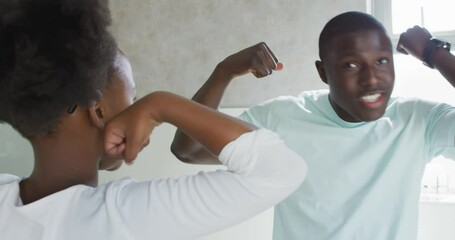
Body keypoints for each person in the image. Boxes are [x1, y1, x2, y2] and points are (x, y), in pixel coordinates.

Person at [0, 1, 307, 239]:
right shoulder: (122, 217)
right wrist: (161, 104)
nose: (140, 108)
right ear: (98, 110)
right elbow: (280, 171)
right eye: (135, 98)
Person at [171, 11, 455, 239]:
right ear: (323, 72)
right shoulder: (281, 119)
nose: (371, 78)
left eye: (382, 61)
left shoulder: (418, 120)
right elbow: (189, 149)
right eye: (351, 65)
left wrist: (435, 53)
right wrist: (224, 71)